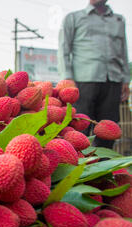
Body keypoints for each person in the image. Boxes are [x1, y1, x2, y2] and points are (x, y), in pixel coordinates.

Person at [58, 0, 130, 149]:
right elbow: (64, 49)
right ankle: (79, 168)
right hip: (83, 82)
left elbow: (123, 51)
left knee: (108, 129)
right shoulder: (74, 18)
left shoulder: (118, 20)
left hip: (113, 80)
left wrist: (125, 80)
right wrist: (68, 78)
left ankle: (104, 169)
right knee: (80, 129)